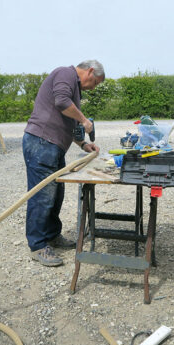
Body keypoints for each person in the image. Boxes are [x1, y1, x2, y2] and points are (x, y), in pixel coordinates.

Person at [22, 60, 104, 266]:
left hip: (52, 146)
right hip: (41, 142)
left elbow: (69, 122)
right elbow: (60, 102)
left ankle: (51, 235)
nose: (93, 87)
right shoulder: (65, 74)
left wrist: (84, 144)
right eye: (95, 82)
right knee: (42, 195)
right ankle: (38, 245)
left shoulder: (74, 88)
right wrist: (85, 121)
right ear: (90, 71)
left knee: (56, 194)